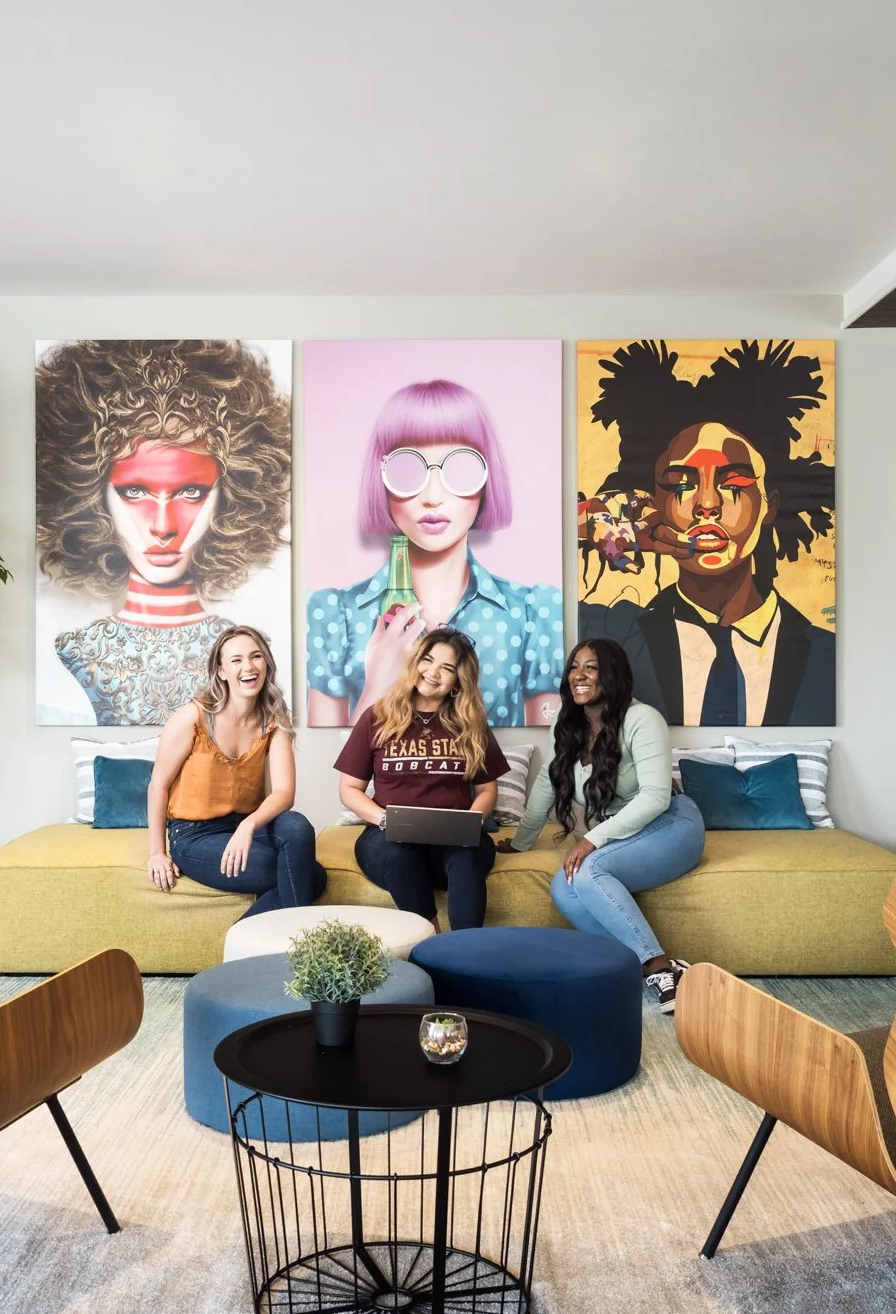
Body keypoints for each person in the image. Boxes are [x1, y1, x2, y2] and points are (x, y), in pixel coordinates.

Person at [577, 339, 835, 727]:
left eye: (734, 483)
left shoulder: (825, 656)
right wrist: (597, 518)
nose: (707, 503)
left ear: (770, 504)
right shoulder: (612, 634)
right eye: (681, 484)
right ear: (655, 502)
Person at [37, 340, 292, 725]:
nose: (162, 526)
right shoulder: (79, 647)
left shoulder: (238, 651)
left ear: (229, 498)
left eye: (191, 492)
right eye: (134, 492)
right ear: (94, 496)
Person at [307, 379, 563, 728]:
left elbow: (549, 743)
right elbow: (337, 763)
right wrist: (378, 682)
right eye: (407, 470)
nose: (432, 495)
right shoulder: (334, 616)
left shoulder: (533, 614)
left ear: (487, 478)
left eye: (460, 469)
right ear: (380, 479)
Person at [500, 635, 705, 1012]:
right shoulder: (568, 724)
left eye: (590, 667)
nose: (579, 675)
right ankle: (642, 967)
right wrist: (521, 842)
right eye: (574, 667)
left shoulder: (642, 718)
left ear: (611, 674)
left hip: (671, 824)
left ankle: (660, 967)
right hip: (620, 833)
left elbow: (656, 796)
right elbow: (547, 780)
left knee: (588, 869)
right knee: (565, 888)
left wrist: (591, 839)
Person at [336, 627, 509, 931]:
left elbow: (486, 790)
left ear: (458, 680)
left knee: (466, 855)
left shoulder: (471, 724)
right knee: (397, 851)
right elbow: (349, 789)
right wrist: (385, 819)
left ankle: (467, 948)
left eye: (447, 668)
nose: (432, 673)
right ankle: (431, 938)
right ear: (414, 663)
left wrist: (468, 823)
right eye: (427, 661)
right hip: (388, 837)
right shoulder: (376, 717)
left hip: (453, 842)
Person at [146, 625, 323, 916]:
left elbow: (284, 793)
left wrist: (248, 825)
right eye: (237, 660)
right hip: (194, 835)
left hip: (246, 823)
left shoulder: (273, 720)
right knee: (307, 875)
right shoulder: (193, 717)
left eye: (256, 657)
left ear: (266, 663)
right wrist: (156, 853)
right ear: (221, 671)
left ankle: (249, 940)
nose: (249, 667)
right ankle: (260, 943)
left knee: (297, 826)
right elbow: (158, 786)